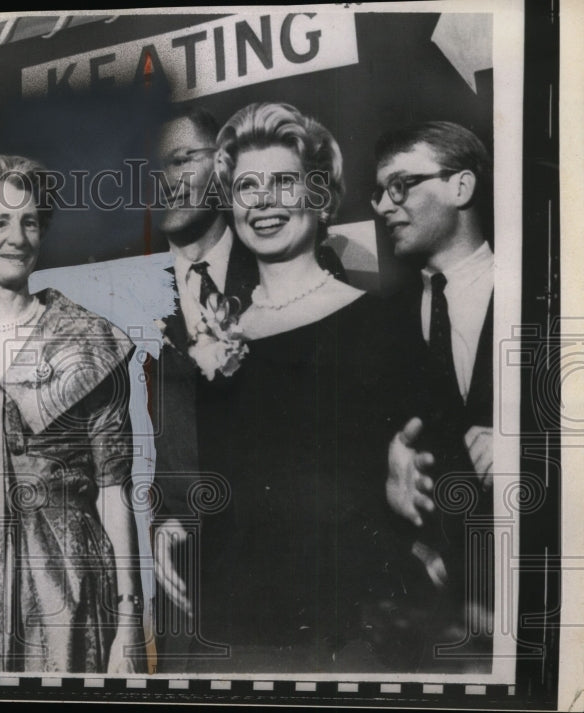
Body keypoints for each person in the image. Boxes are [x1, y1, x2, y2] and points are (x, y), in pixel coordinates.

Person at [181, 102, 421, 672]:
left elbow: (421, 482)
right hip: (232, 629)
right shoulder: (214, 337)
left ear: (319, 194)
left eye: (283, 183)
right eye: (246, 187)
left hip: (349, 628)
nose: (262, 202)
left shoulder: (384, 324)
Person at [0, 155, 145, 673]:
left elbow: (114, 490)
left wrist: (129, 619)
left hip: (70, 578)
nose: (15, 237)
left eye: (28, 221)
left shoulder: (90, 341)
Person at [149, 107, 349, 670]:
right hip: (174, 583)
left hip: (285, 586)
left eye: (182, 159)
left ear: (219, 167)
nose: (164, 179)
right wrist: (165, 514)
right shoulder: (119, 295)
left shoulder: (296, 267)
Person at [373, 121, 494, 658]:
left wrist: (531, 448)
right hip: (433, 626)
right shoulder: (377, 323)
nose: (383, 206)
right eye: (378, 192)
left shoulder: (551, 293)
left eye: (400, 186)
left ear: (461, 188)